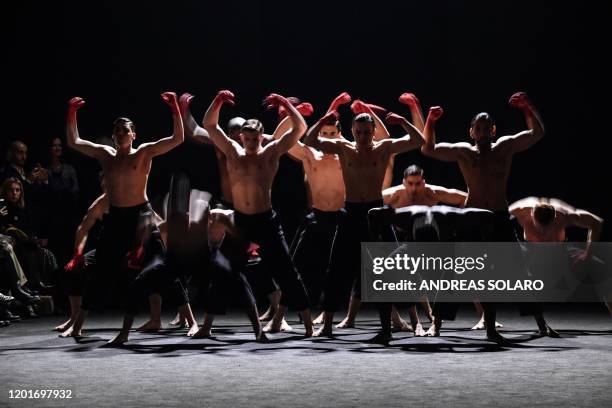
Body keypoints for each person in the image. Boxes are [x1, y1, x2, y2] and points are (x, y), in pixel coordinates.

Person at [59, 92, 184, 343]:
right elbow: (74, 141)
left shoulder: (144, 153)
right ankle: (77, 325)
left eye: (125, 131)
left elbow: (177, 138)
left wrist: (174, 109)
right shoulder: (105, 154)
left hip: (141, 216)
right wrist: (71, 114)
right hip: (117, 217)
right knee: (99, 271)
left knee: (161, 265)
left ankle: (189, 320)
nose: (120, 134)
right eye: (116, 131)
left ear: (133, 135)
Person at [421, 92, 545, 343]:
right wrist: (431, 121)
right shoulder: (464, 152)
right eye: (479, 128)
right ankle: (436, 324)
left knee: (518, 270)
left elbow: (537, 133)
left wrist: (527, 107)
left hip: (499, 215)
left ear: (494, 130)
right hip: (472, 217)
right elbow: (428, 148)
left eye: (487, 128)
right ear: (471, 132)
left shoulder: (505, 146)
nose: (483, 132)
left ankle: (539, 325)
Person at [304, 106, 425, 342]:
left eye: (367, 133)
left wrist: (402, 121)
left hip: (376, 212)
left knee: (391, 268)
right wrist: (321, 120)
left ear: (373, 132)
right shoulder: (343, 148)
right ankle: (327, 325)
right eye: (358, 132)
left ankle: (408, 324)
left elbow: (418, 139)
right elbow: (309, 140)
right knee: (337, 268)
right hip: (350, 212)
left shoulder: (384, 148)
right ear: (351, 131)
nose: (363, 137)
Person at [202, 90, 315, 336]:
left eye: (256, 138)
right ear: (242, 137)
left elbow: (300, 128)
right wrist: (218, 100)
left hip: (266, 220)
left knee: (287, 273)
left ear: (262, 137)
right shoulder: (232, 151)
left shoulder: (271, 152)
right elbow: (209, 125)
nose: (251, 143)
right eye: (248, 138)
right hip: (240, 221)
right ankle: (207, 328)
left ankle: (308, 327)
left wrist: (286, 103)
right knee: (222, 269)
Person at [510, 196, 605, 332]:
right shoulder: (519, 211)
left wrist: (588, 254)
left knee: (604, 270)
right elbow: (495, 221)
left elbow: (597, 223)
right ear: (531, 214)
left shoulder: (566, 215)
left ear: (555, 217)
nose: (542, 230)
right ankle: (487, 319)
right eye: (539, 225)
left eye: (547, 226)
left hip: (559, 251)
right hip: (531, 251)